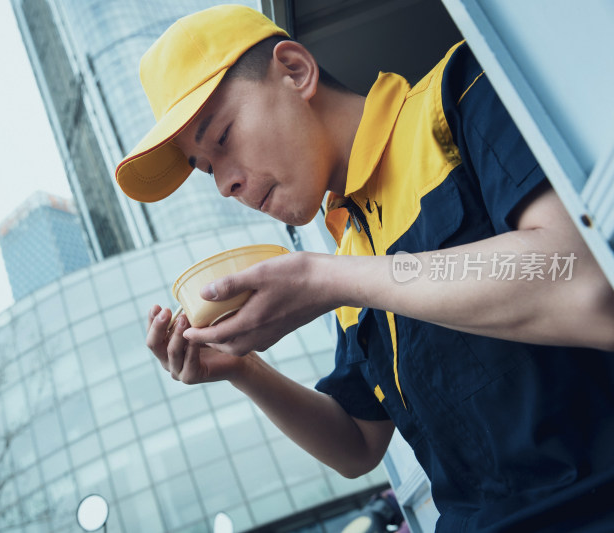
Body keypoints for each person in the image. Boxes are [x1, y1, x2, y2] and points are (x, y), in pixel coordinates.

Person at [115, 4, 614, 532]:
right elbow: (357, 444)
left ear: (295, 71)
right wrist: (242, 369)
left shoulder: (457, 96)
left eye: (222, 138)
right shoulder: (348, 254)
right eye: (209, 169)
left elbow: (585, 285)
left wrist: (327, 279)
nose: (223, 185)